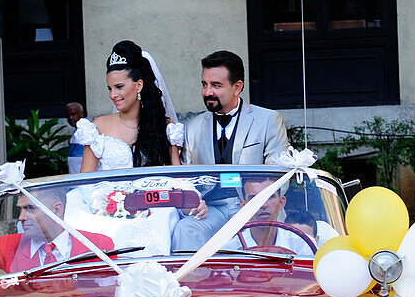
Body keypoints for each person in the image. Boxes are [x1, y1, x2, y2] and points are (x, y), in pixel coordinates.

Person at [172, 50, 289, 249]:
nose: (208, 92)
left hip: (255, 208)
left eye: (216, 85)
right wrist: (192, 201)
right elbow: (186, 179)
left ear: (237, 87)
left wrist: (258, 203)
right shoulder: (193, 127)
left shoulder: (268, 120)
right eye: (204, 84)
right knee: (185, 228)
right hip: (212, 210)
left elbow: (281, 176)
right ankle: (189, 281)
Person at [76, 40, 184, 171]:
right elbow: (85, 180)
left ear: (138, 85)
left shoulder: (164, 126)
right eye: (109, 89)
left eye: (119, 87)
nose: (113, 95)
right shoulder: (97, 127)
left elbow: (177, 176)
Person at [0, 186, 114, 278]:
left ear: (57, 210)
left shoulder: (98, 245)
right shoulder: (9, 244)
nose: (21, 217)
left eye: (30, 208)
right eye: (20, 210)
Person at [227, 178, 313, 255]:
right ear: (243, 206)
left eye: (270, 197)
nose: (264, 205)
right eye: (254, 199)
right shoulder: (227, 249)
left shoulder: (302, 244)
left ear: (281, 203)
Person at [65, 101, 85, 174]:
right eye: (68, 115)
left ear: (81, 114)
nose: (70, 118)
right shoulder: (76, 133)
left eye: (73, 114)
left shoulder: (88, 132)